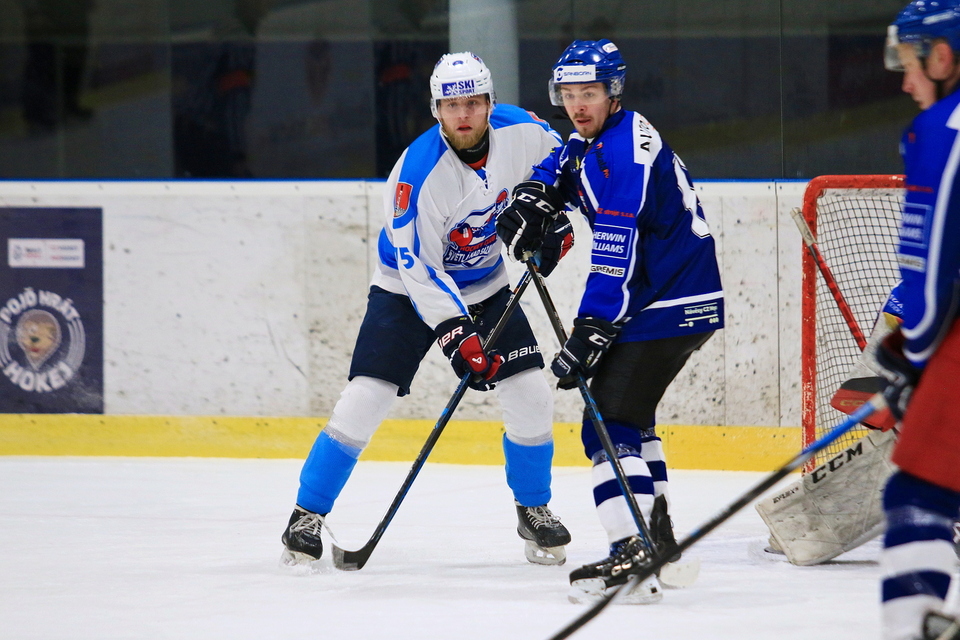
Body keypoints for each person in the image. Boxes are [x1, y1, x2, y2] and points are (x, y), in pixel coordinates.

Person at [281, 52, 574, 570]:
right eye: (451, 105)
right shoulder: (417, 174)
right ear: (436, 109)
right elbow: (420, 269)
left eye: (473, 103)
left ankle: (533, 509)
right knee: (367, 395)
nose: (463, 114)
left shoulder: (525, 131)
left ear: (490, 103)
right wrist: (457, 335)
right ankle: (306, 515)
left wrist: (558, 220)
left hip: (485, 283)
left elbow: (568, 171)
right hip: (405, 288)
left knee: (530, 390)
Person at [496, 39, 724, 604]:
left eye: (590, 93)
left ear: (612, 92)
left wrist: (592, 328)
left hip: (665, 300)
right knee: (633, 419)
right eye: (569, 94)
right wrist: (536, 194)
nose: (578, 105)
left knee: (606, 425)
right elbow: (565, 162)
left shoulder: (624, 155)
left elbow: (614, 252)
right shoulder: (599, 135)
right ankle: (657, 538)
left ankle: (632, 548)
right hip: (675, 297)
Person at [877, 2, 960, 638]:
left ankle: (910, 628)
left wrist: (915, 353)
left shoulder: (944, 127)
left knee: (918, 494)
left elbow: (930, 271)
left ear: (943, 57)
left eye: (910, 64)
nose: (906, 82)